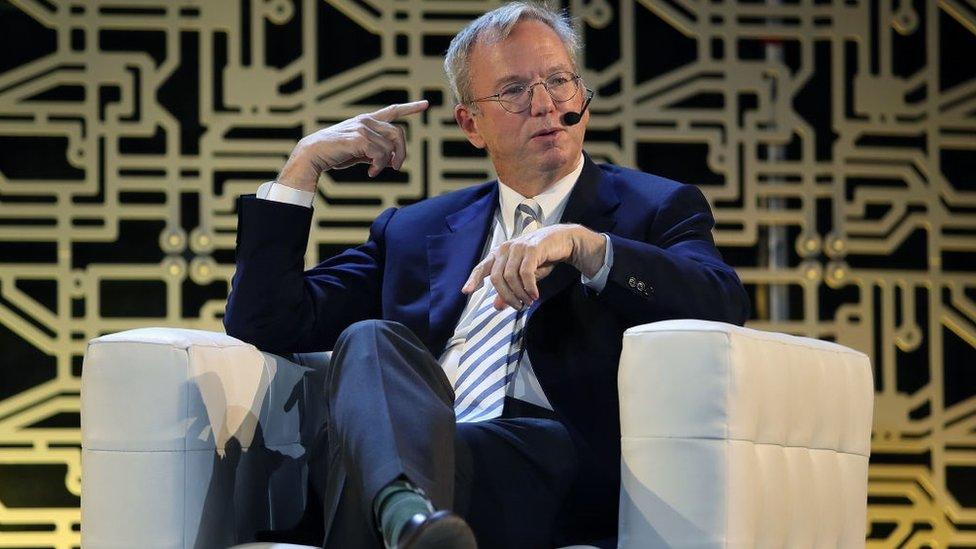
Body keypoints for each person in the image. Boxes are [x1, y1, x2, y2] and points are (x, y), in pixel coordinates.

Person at [224, 2, 750, 548]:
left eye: (559, 81)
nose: (545, 105)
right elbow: (266, 321)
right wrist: (302, 166)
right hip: (427, 443)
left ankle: (401, 511)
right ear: (471, 123)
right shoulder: (416, 230)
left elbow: (721, 302)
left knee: (372, 468)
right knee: (371, 338)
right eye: (515, 90)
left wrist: (588, 248)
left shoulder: (656, 208)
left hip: (540, 464)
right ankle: (409, 514)